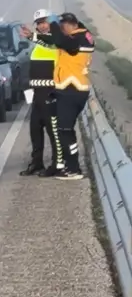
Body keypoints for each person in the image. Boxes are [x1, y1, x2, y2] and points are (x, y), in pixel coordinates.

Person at [49, 13, 96, 180]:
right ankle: (72, 166)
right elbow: (57, 41)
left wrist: (53, 24)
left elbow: (61, 41)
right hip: (72, 89)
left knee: (65, 130)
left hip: (71, 89)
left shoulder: (77, 39)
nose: (63, 29)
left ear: (73, 25)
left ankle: (74, 169)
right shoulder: (84, 35)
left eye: (64, 26)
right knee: (65, 130)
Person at [19, 10, 58, 176]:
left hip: (51, 92)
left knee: (53, 130)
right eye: (39, 23)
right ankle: (37, 162)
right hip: (37, 93)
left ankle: (57, 164)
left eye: (44, 21)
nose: (42, 25)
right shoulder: (38, 43)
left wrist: (32, 36)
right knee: (35, 129)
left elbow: (50, 42)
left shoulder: (57, 39)